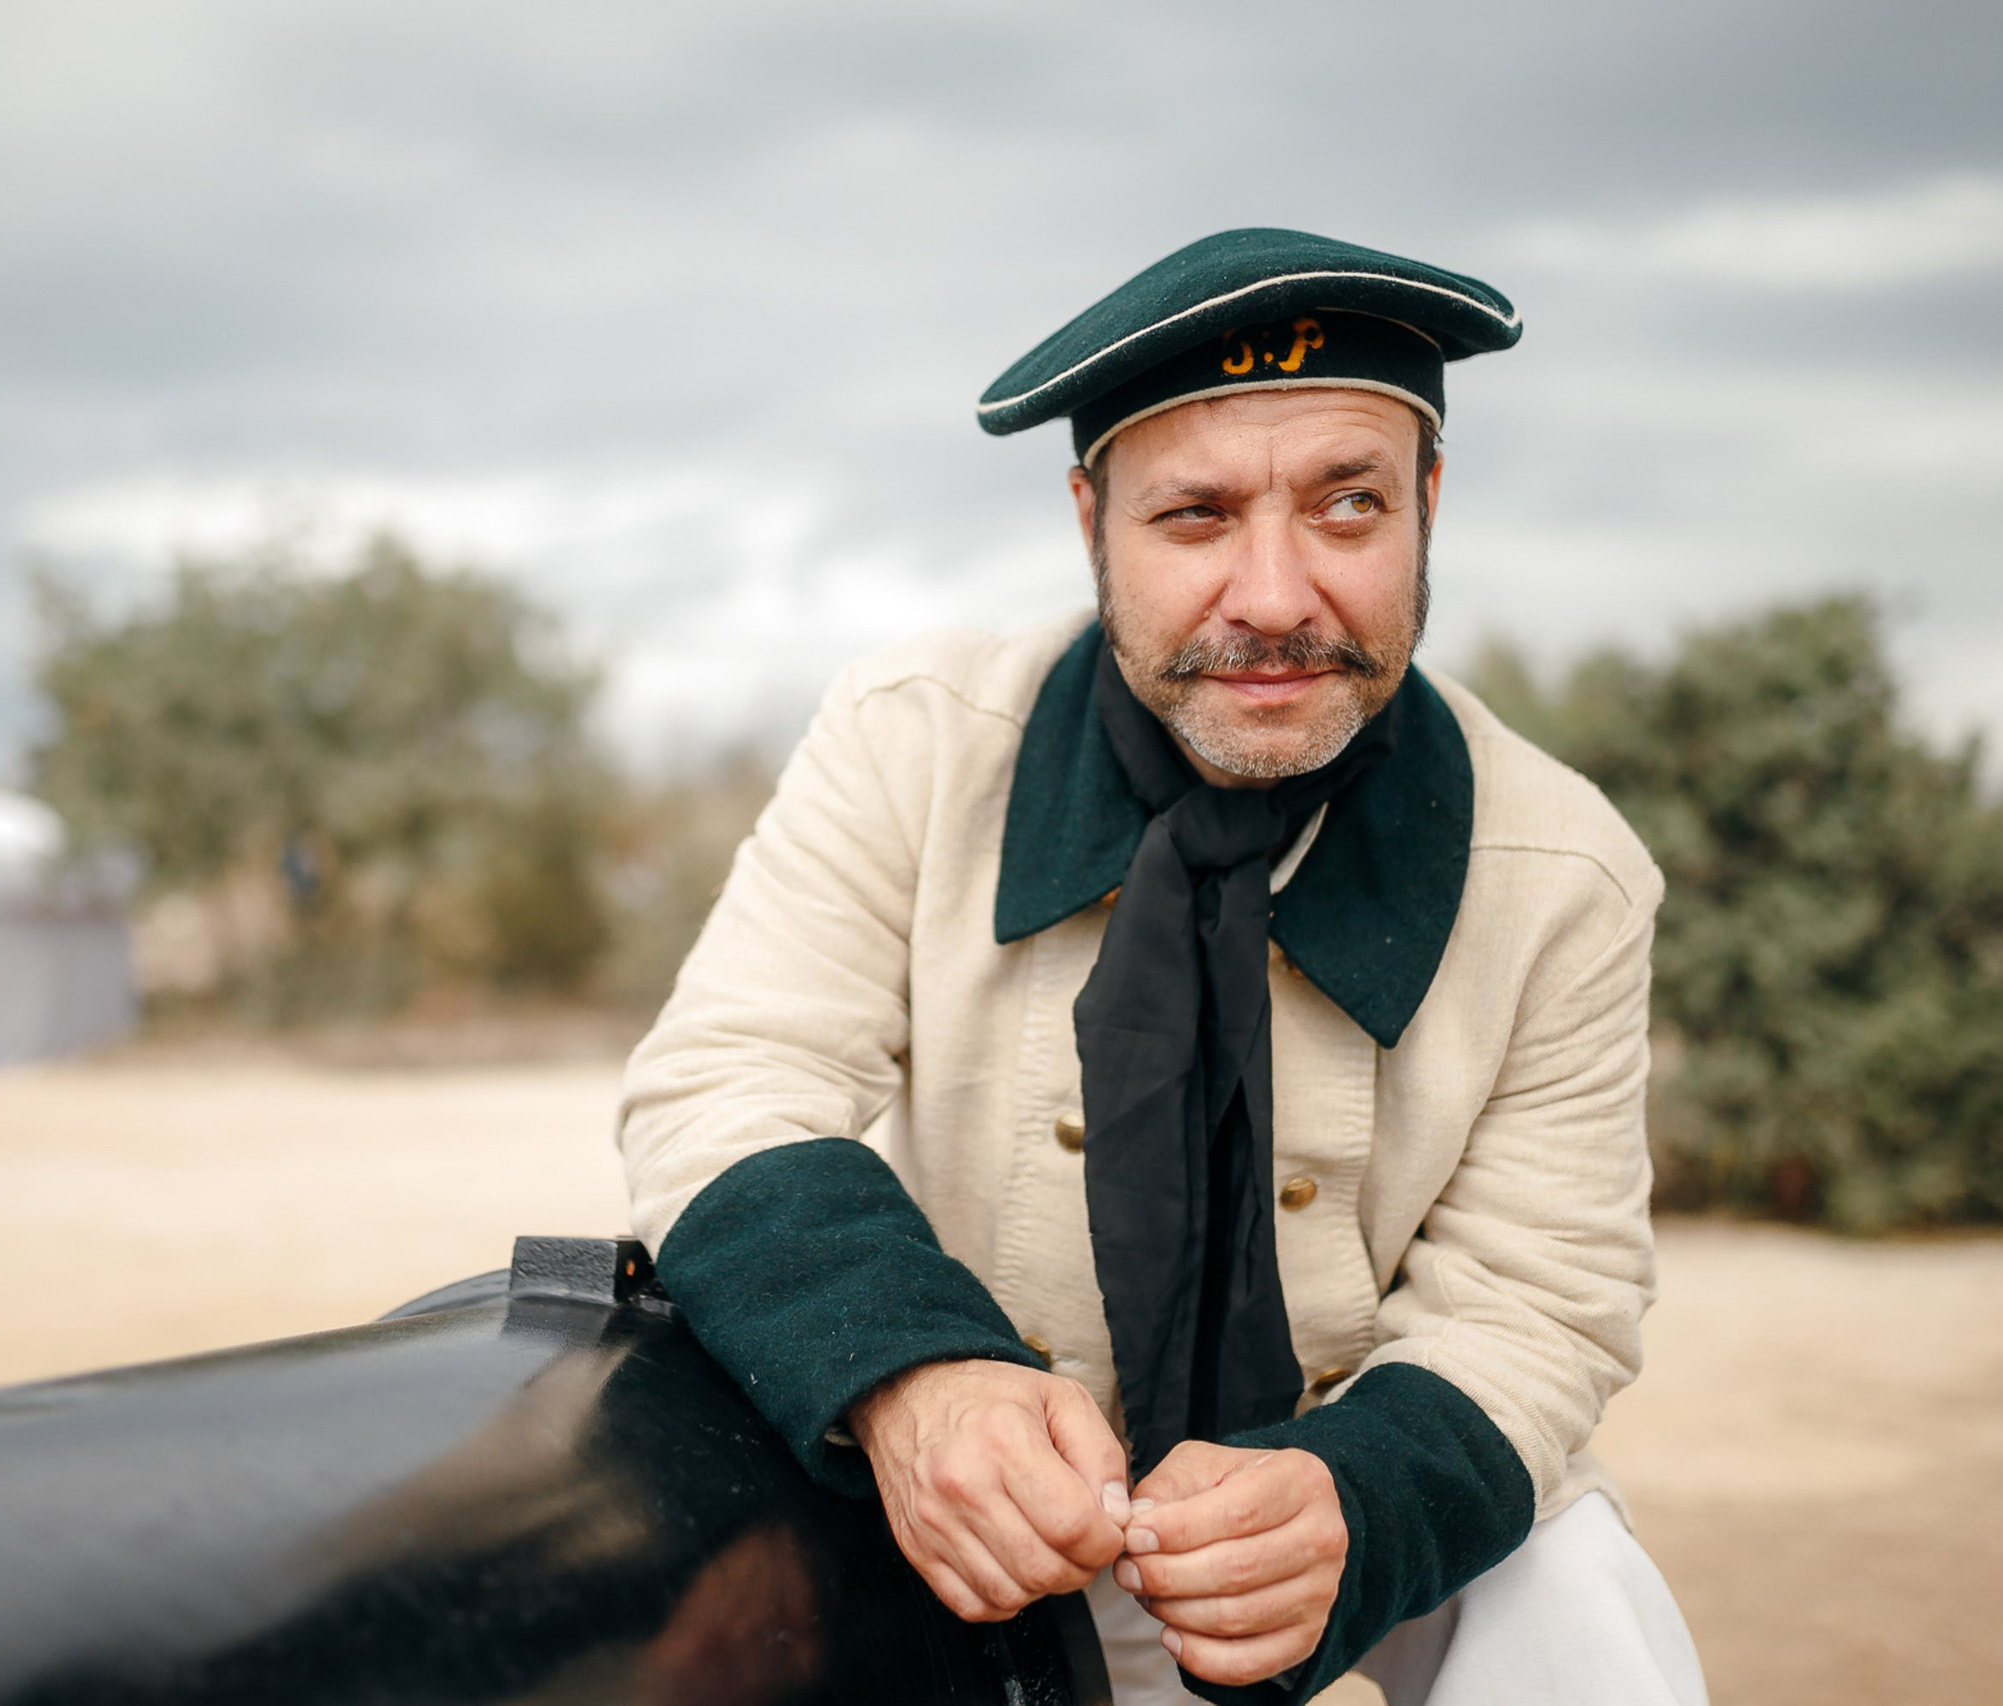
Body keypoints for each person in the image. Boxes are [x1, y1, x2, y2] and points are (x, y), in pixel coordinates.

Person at [618, 230, 1705, 1706]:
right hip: (960, 1488)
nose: (1273, 593)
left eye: (1348, 505)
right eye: (1195, 514)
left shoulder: (1568, 871)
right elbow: (729, 1083)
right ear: (1091, 523)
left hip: (1337, 1490)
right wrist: (911, 1376)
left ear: (1430, 502)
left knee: (1583, 1609)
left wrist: (1356, 1499)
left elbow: (1541, 1294)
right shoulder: (912, 739)